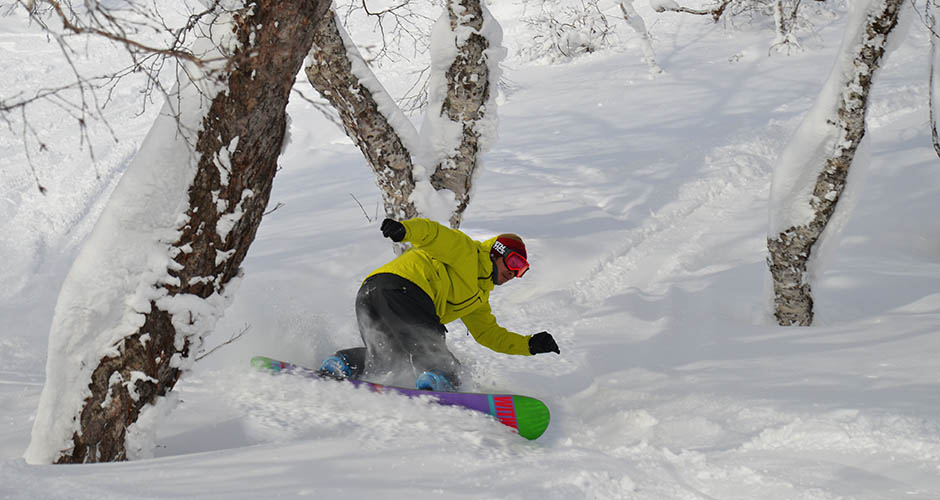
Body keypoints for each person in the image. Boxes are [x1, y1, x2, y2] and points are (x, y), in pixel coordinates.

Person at [319, 217, 560, 392]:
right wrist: (405, 230)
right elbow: (433, 234)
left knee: (386, 357)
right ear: (497, 252)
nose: (514, 273)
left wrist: (529, 345)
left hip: (368, 294)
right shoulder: (467, 252)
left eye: (522, 270)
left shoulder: (478, 299)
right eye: (514, 263)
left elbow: (489, 334)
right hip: (403, 290)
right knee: (439, 357)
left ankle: (342, 363)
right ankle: (441, 383)